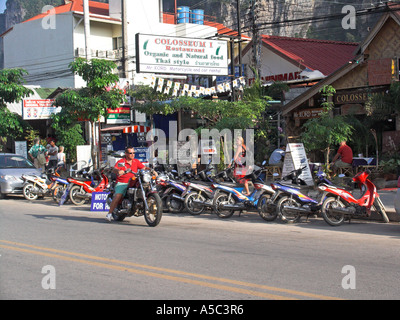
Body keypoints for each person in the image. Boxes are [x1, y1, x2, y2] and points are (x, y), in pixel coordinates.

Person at [105, 146, 153, 222]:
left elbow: (143, 168)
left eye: (134, 153)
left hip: (133, 181)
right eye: (131, 153)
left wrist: (152, 170)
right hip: (122, 182)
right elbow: (115, 169)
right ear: (126, 154)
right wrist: (118, 171)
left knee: (147, 186)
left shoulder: (136, 161)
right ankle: (109, 214)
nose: (133, 154)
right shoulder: (121, 162)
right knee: (118, 195)